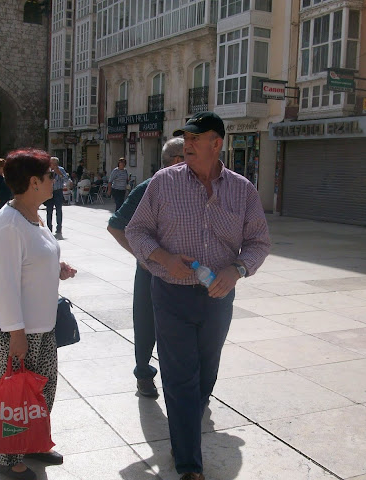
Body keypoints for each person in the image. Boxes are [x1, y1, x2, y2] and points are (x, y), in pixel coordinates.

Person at [125, 112, 271, 480]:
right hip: (171, 294)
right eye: (186, 138)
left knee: (206, 375)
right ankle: (189, 465)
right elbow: (136, 231)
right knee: (179, 379)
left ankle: (184, 432)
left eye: (195, 138)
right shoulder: (164, 182)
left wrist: (237, 269)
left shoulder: (243, 189)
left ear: (216, 143)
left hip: (218, 298)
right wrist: (163, 258)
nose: (187, 145)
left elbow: (259, 242)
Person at [0, 148, 76, 480]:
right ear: (34, 182)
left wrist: (57, 267)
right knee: (18, 394)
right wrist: (16, 333)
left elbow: (33, 259)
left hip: (42, 323)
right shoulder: (8, 225)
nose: (55, 179)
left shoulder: (32, 216)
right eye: (51, 175)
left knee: (44, 388)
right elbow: (5, 284)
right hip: (19, 327)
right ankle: (7, 459)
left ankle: (33, 442)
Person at [107, 137, 184, 398]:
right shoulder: (149, 187)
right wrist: (142, 256)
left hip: (182, 273)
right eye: (190, 156)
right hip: (151, 272)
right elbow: (116, 226)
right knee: (146, 323)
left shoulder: (193, 188)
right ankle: (144, 374)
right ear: (177, 161)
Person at [44, 157, 68, 236]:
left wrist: (60, 174)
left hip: (58, 192)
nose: (53, 165)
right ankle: (49, 228)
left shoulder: (61, 169)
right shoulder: (47, 170)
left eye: (54, 164)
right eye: (51, 163)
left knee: (59, 210)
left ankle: (59, 228)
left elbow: (66, 180)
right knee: (49, 211)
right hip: (49, 192)